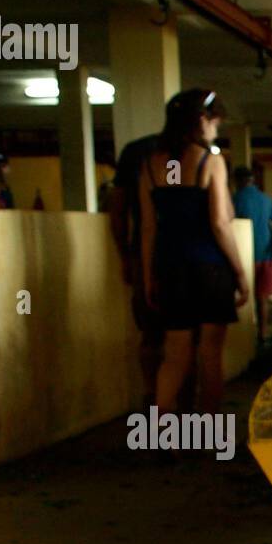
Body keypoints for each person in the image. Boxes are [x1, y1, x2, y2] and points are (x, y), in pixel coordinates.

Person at [138, 89, 250, 415]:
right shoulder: (210, 161)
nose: (216, 130)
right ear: (202, 120)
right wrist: (241, 274)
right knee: (210, 354)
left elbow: (148, 228)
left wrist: (149, 277)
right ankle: (207, 434)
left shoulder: (149, 165)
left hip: (171, 269)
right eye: (215, 123)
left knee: (175, 354)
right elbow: (219, 223)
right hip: (210, 268)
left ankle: (160, 427)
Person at [109, 128, 165, 402]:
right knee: (186, 339)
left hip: (143, 255)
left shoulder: (136, 152)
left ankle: (152, 396)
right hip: (186, 258)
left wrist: (126, 257)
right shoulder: (196, 153)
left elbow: (119, 212)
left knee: (150, 333)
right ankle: (184, 409)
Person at [231, 165, 272, 341]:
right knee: (263, 298)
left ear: (237, 181)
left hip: (246, 255)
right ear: (253, 180)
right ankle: (263, 332)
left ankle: (246, 336)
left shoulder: (235, 199)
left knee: (246, 297)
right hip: (268, 254)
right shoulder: (267, 200)